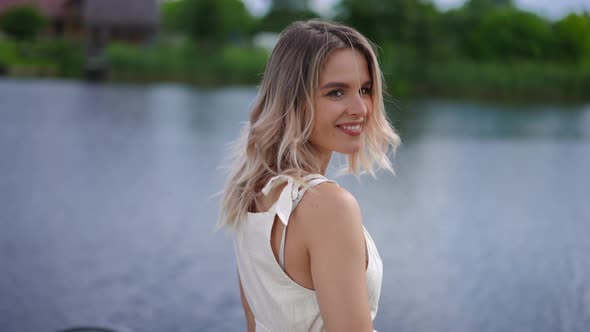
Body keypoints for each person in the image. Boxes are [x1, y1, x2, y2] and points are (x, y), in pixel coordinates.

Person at [216, 19, 400, 332]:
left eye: (365, 90)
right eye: (337, 92)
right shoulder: (329, 206)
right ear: (294, 99)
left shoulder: (251, 193)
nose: (360, 108)